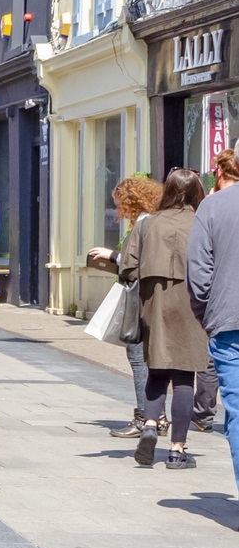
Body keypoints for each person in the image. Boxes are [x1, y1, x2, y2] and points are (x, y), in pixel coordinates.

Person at [121, 169, 209, 469]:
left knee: (157, 371)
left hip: (153, 305)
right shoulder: (201, 222)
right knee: (185, 376)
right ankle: (177, 449)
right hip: (192, 305)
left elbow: (127, 268)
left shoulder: (147, 224)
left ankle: (149, 424)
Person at [88, 173, 166, 439]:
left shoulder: (145, 222)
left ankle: (146, 417)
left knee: (138, 356)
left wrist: (111, 255)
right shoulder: (157, 220)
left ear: (132, 201)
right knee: (149, 358)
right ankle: (156, 416)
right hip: (155, 298)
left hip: (141, 300)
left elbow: (137, 262)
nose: (119, 209)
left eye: (121, 203)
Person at [188, 150, 239, 492]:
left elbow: (198, 270)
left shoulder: (213, 205)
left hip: (229, 320)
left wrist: (207, 312)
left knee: (236, 411)